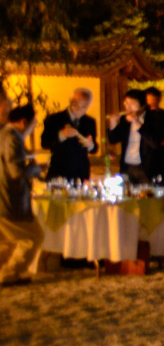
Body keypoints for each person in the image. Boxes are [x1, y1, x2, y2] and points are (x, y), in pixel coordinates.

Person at [1, 104, 44, 286]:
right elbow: (16, 171)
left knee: (7, 240)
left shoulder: (5, 134)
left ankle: (7, 272)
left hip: (5, 197)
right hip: (10, 197)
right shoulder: (12, 138)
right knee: (33, 237)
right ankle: (9, 274)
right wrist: (37, 168)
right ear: (23, 122)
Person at [107, 89, 164, 185]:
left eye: (132, 103)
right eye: (126, 103)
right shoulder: (125, 119)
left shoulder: (153, 118)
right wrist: (113, 124)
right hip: (127, 167)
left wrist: (137, 123)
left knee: (146, 197)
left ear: (142, 104)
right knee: (128, 197)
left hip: (145, 168)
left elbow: (155, 143)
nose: (128, 107)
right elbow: (113, 139)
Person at [40, 88, 97, 182]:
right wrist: (61, 135)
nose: (79, 110)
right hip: (59, 170)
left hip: (81, 173)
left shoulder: (89, 122)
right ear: (71, 101)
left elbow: (94, 148)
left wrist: (91, 145)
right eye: (76, 105)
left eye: (84, 107)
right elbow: (44, 143)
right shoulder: (54, 119)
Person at [143, 86, 164, 186]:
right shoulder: (142, 115)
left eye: (154, 99)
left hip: (163, 155)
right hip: (146, 155)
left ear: (159, 99)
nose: (152, 102)